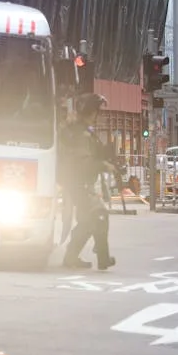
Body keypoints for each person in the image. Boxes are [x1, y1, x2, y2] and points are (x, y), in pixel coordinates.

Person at [59, 92, 117, 271]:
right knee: (98, 215)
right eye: (95, 111)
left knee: (88, 220)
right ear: (90, 112)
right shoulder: (80, 134)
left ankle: (75, 257)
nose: (97, 115)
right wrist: (103, 165)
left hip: (77, 182)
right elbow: (82, 163)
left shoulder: (81, 131)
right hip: (79, 183)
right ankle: (102, 256)